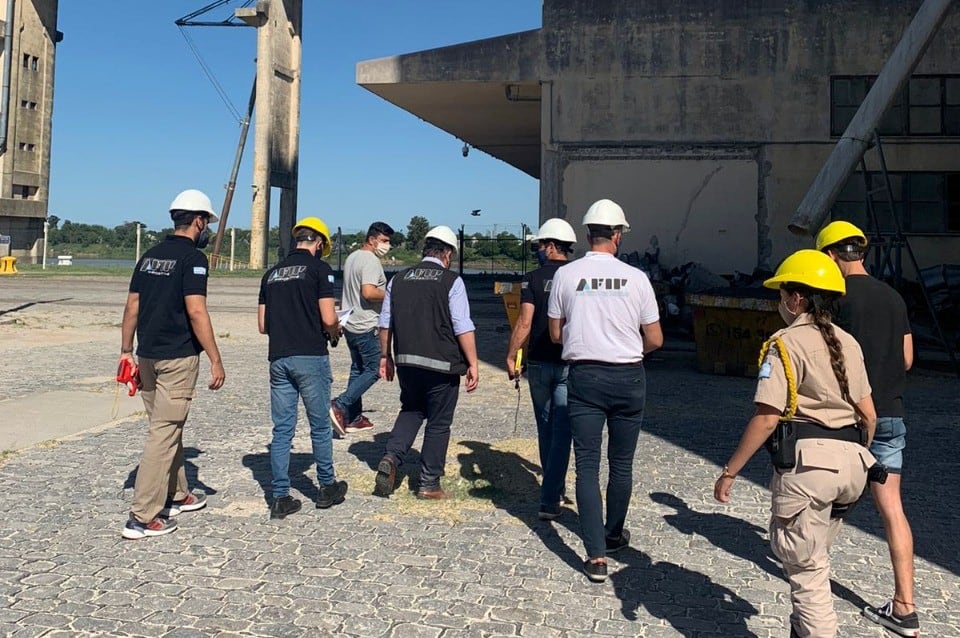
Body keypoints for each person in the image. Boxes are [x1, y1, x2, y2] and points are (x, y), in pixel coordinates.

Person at [714, 249, 878, 638]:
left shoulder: (783, 344)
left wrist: (730, 471)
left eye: (781, 293)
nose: (780, 302)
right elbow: (869, 415)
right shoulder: (848, 343)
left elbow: (768, 416)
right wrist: (859, 456)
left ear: (796, 298)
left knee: (806, 573)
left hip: (808, 469)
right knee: (815, 557)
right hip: (854, 467)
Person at [546, 199, 663, 583]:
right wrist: (630, 350)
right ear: (617, 235)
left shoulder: (566, 275)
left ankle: (595, 556)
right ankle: (613, 534)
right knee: (622, 464)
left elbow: (555, 334)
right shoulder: (637, 278)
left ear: (586, 235)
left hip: (585, 378)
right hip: (629, 377)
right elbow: (656, 339)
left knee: (587, 466)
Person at [816, 221, 919, 636]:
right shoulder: (894, 296)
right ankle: (905, 608)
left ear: (829, 256)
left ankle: (812, 595)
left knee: (823, 502)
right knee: (892, 508)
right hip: (891, 414)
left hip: (848, 420)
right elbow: (907, 359)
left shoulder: (835, 298)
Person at [119, 189, 226, 540]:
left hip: (147, 354)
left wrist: (126, 351)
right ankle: (143, 516)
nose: (206, 226)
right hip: (177, 357)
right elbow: (196, 310)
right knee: (163, 433)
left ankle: (177, 493)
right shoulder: (193, 259)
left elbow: (132, 306)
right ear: (198, 220)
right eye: (206, 221)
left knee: (167, 426)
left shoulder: (149, 256)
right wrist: (215, 357)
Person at [373, 225, 479, 500]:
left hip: (408, 362)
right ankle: (429, 483)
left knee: (411, 410)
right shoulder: (451, 281)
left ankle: (392, 458)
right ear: (446, 253)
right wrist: (473, 363)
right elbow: (461, 326)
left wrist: (386, 357)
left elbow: (385, 322)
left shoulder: (398, 279)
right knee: (438, 423)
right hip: (442, 365)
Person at [258, 216, 347, 519]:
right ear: (319, 243)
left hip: (278, 357)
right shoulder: (320, 270)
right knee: (320, 425)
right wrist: (335, 330)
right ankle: (326, 487)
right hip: (310, 355)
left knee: (282, 429)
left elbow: (262, 324)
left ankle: (280, 496)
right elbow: (327, 317)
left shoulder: (270, 274)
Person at [505, 218, 577, 521]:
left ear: (550, 245)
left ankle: (551, 487)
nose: (538, 251)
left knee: (545, 427)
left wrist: (511, 355)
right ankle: (554, 490)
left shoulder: (531, 279)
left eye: (540, 246)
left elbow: (524, 322)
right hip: (569, 362)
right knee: (564, 429)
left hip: (538, 362)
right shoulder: (577, 276)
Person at [329, 221, 395, 436]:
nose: (387, 245)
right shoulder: (370, 261)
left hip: (351, 323)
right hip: (367, 324)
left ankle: (353, 417)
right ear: (372, 239)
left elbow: (348, 290)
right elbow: (368, 292)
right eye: (384, 241)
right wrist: (393, 295)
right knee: (374, 369)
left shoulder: (352, 257)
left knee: (357, 368)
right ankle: (341, 404)